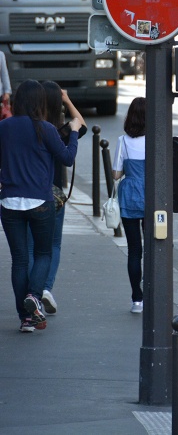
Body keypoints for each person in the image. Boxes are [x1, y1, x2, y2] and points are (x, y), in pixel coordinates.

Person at [0, 79, 81, 332]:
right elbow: (67, 158)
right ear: (39, 103)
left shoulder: (4, 127)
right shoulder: (45, 128)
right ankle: (34, 296)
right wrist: (75, 131)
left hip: (10, 201)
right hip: (41, 202)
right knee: (44, 253)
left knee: (20, 260)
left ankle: (25, 319)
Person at [37, 82, 87, 314]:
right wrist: (67, 100)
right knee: (53, 244)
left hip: (31, 193)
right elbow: (82, 125)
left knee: (30, 247)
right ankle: (46, 288)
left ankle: (32, 292)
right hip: (55, 195)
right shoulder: (61, 131)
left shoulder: (33, 128)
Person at [112, 97, 146, 313]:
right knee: (155, 248)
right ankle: (154, 292)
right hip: (153, 198)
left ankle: (137, 299)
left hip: (130, 198)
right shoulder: (156, 139)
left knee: (135, 250)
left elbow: (116, 174)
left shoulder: (123, 141)